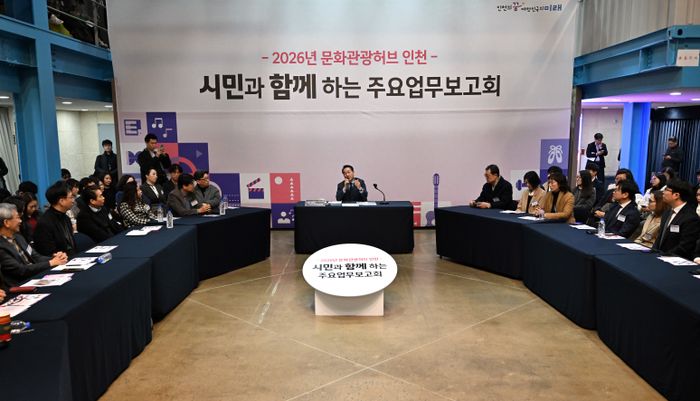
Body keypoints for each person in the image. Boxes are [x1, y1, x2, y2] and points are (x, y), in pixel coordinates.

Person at [0, 203, 68, 288]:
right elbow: (20, 270)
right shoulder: (1, 246)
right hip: (20, 285)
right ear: (6, 222)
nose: (20, 221)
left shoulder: (18, 237)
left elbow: (36, 257)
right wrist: (50, 263)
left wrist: (55, 258)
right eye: (17, 217)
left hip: (35, 277)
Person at [652, 180, 700, 259]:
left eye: (666, 190)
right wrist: (653, 252)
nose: (663, 192)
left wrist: (664, 256)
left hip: (674, 259)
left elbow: (684, 246)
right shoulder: (667, 212)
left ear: (676, 195)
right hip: (659, 256)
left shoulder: (691, 218)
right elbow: (660, 237)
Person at [33, 181, 77, 257]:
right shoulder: (45, 223)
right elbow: (46, 252)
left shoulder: (66, 218)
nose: (73, 201)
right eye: (71, 197)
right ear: (61, 201)